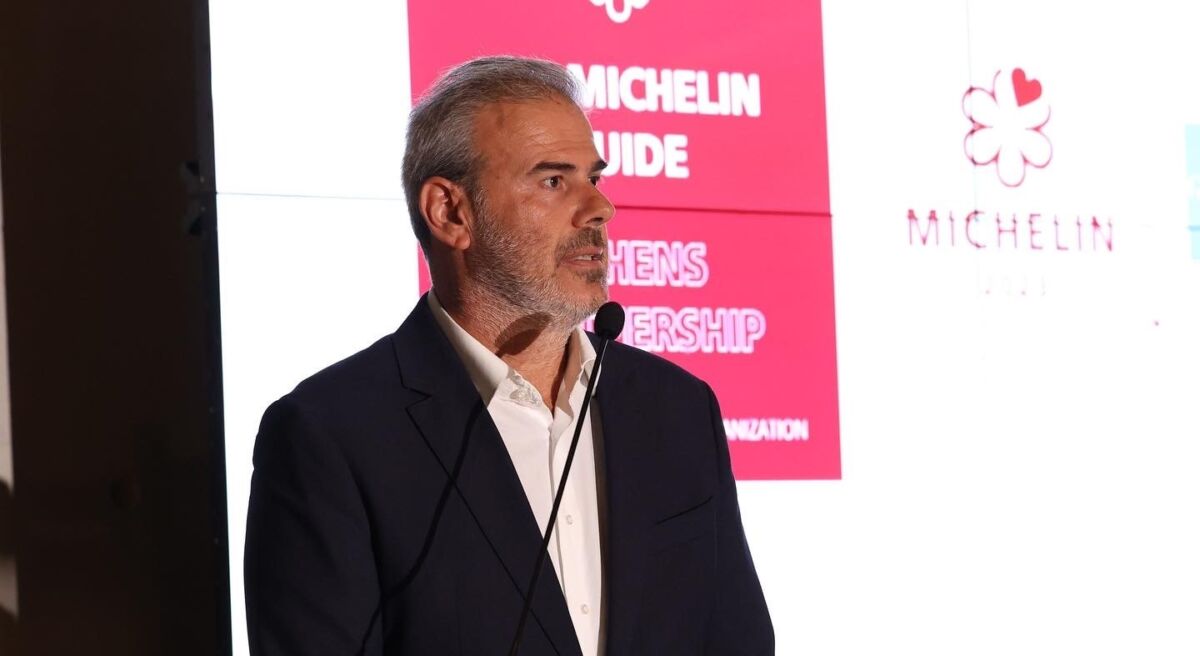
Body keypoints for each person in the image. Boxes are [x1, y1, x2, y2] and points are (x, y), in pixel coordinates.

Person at [244, 56, 773, 656]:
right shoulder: (329, 435)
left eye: (593, 177)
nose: (599, 208)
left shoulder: (677, 409)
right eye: (553, 181)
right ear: (451, 212)